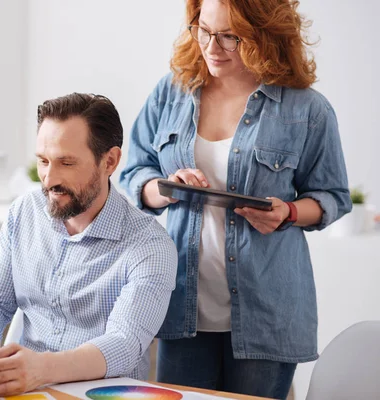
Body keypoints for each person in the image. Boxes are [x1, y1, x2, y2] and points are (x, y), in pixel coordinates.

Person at [120, 0, 351, 398]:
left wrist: (289, 212)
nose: (212, 47)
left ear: (266, 34)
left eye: (231, 36)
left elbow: (332, 196)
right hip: (181, 305)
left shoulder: (306, 108)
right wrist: (166, 187)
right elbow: (133, 171)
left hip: (268, 313)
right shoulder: (171, 92)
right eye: (205, 30)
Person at [0, 93, 178, 396]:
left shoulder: (150, 246)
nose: (49, 179)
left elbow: (124, 344)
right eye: (43, 161)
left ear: (110, 161)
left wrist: (41, 369)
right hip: (25, 392)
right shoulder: (24, 212)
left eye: (66, 163)